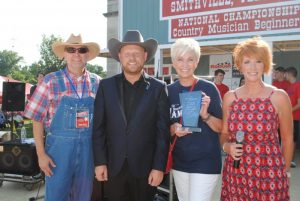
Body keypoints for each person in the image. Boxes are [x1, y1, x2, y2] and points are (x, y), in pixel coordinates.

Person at [92, 30, 170, 201]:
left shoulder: (158, 88)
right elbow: (98, 129)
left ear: (145, 55)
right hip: (114, 168)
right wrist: (100, 162)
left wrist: (158, 167)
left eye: (137, 53)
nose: (132, 58)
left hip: (146, 169)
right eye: (127, 53)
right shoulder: (106, 86)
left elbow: (162, 133)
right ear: (120, 56)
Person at [24, 34, 101, 201]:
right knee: (56, 197)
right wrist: (41, 155)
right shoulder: (50, 81)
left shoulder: (97, 82)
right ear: (64, 54)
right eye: (71, 49)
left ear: (87, 55)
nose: (76, 54)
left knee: (83, 196)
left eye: (81, 50)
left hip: (88, 151)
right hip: (58, 153)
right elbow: (36, 118)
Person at [220, 37, 293, 200]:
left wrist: (284, 171)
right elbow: (224, 134)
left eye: (258, 61)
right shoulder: (230, 98)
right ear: (239, 65)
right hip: (236, 172)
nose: (253, 67)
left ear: (265, 64)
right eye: (247, 62)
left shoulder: (278, 96)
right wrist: (227, 147)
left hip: (269, 172)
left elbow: (288, 139)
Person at [168, 38, 222, 201]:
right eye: (180, 59)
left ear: (197, 62)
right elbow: (163, 126)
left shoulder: (208, 88)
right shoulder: (168, 91)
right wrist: (174, 128)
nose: (185, 64)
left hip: (205, 161)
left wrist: (205, 115)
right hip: (180, 161)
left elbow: (221, 127)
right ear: (173, 62)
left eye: (190, 59)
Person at [285, 66, 300, 168]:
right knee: (288, 138)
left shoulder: (298, 85)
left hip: (295, 117)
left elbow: (299, 104)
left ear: (290, 74)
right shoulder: (289, 86)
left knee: (293, 139)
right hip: (289, 117)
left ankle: (291, 160)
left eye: (286, 73)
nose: (285, 75)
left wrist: (288, 112)